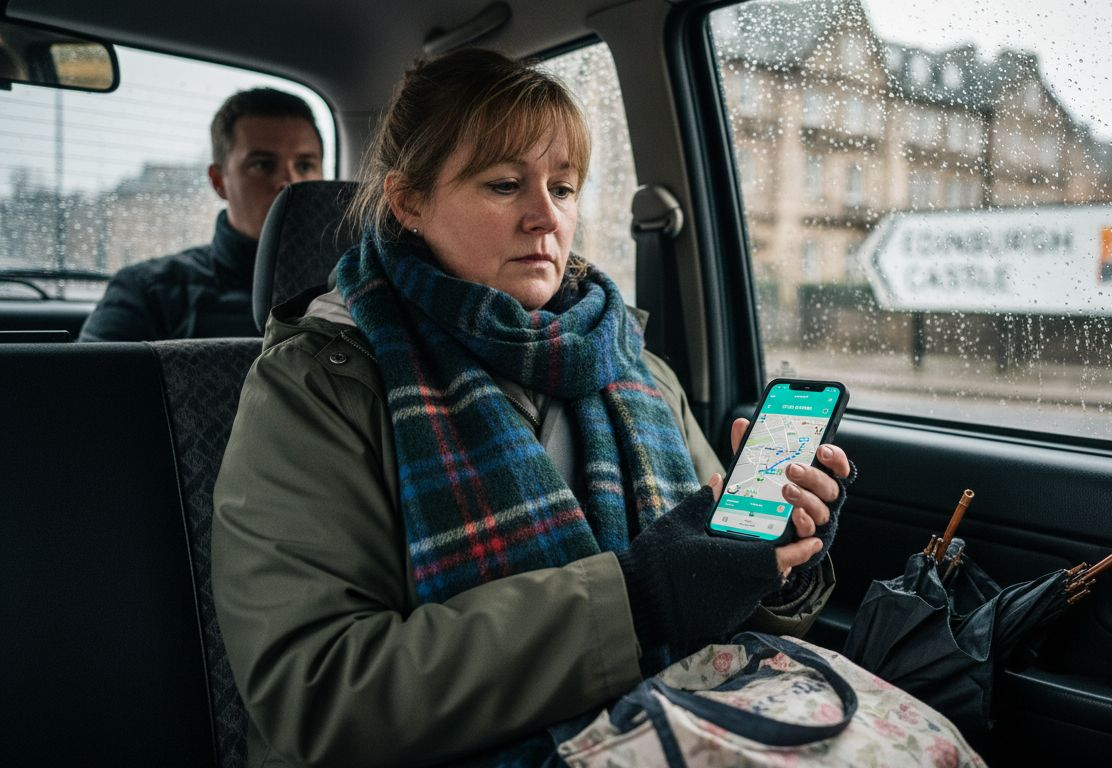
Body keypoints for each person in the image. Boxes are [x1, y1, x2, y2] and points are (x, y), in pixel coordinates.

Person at [212, 49, 854, 767]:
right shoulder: (318, 383)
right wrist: (636, 601)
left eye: (564, 187)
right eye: (504, 184)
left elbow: (708, 594)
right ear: (409, 201)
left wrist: (775, 561)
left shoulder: (639, 369)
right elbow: (316, 695)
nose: (545, 217)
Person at [78, 88, 323, 341]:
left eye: (305, 165)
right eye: (262, 165)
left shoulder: (345, 286)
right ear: (219, 182)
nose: (289, 182)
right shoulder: (149, 292)